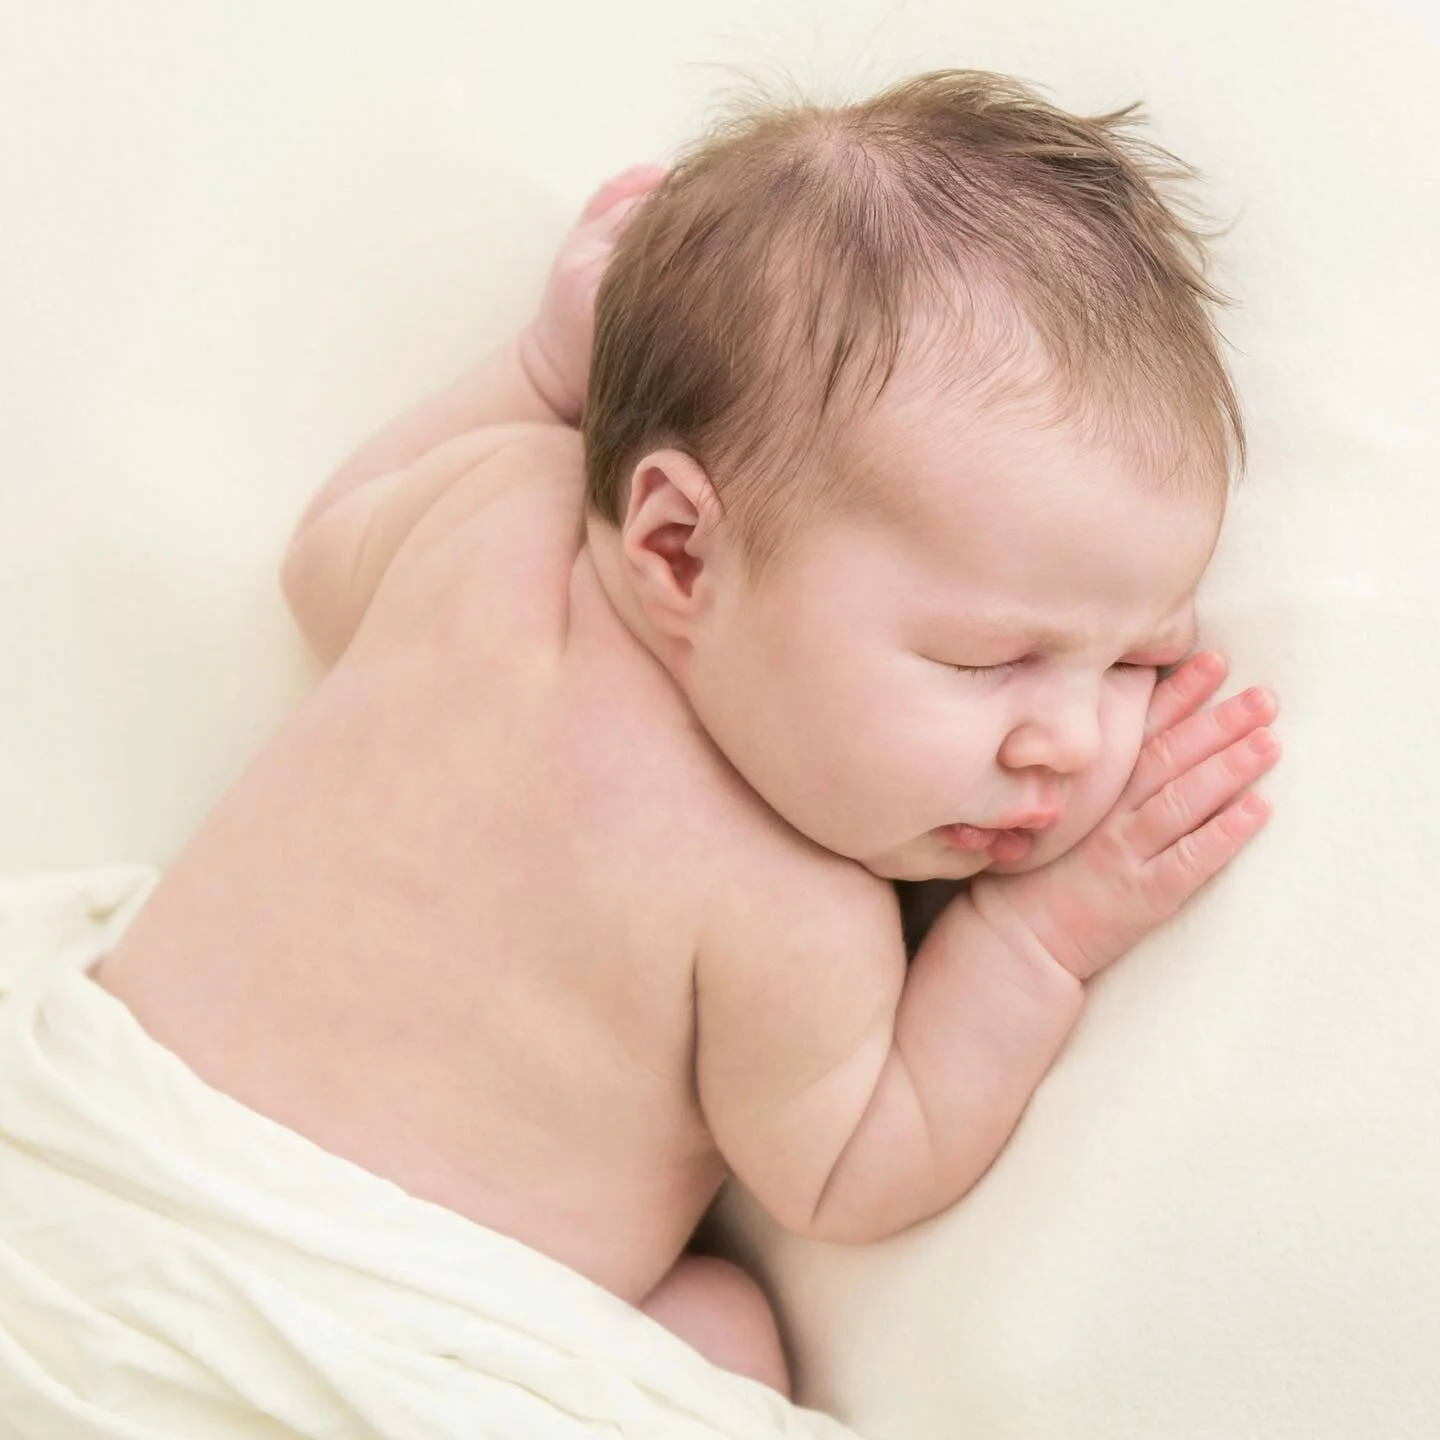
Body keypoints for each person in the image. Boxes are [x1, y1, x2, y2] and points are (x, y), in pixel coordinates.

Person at [83, 69, 1277, 1409]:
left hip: (77, 1182)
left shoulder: (492, 506)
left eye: (1137, 658)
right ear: (675, 546)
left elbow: (322, 557)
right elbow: (853, 1169)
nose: (1066, 739)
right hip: (363, 1341)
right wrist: (1036, 938)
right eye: (987, 659)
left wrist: (537, 372)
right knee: (717, 1327)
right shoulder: (790, 903)